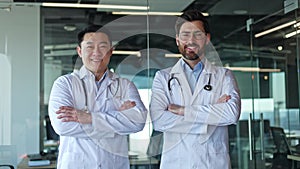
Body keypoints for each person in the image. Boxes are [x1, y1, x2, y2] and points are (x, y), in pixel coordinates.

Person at [150, 10, 241, 169]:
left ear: (207, 39)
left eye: (197, 35)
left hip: (213, 164)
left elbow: (231, 114)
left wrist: (185, 111)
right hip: (176, 163)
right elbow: (158, 120)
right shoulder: (163, 78)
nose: (191, 40)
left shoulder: (224, 75)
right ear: (177, 40)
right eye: (185, 35)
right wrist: (211, 119)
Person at [48, 24, 147, 169]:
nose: (96, 53)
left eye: (102, 47)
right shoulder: (65, 84)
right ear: (80, 51)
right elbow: (63, 126)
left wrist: (89, 118)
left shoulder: (125, 85)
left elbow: (138, 122)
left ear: (111, 51)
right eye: (90, 47)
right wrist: (118, 119)